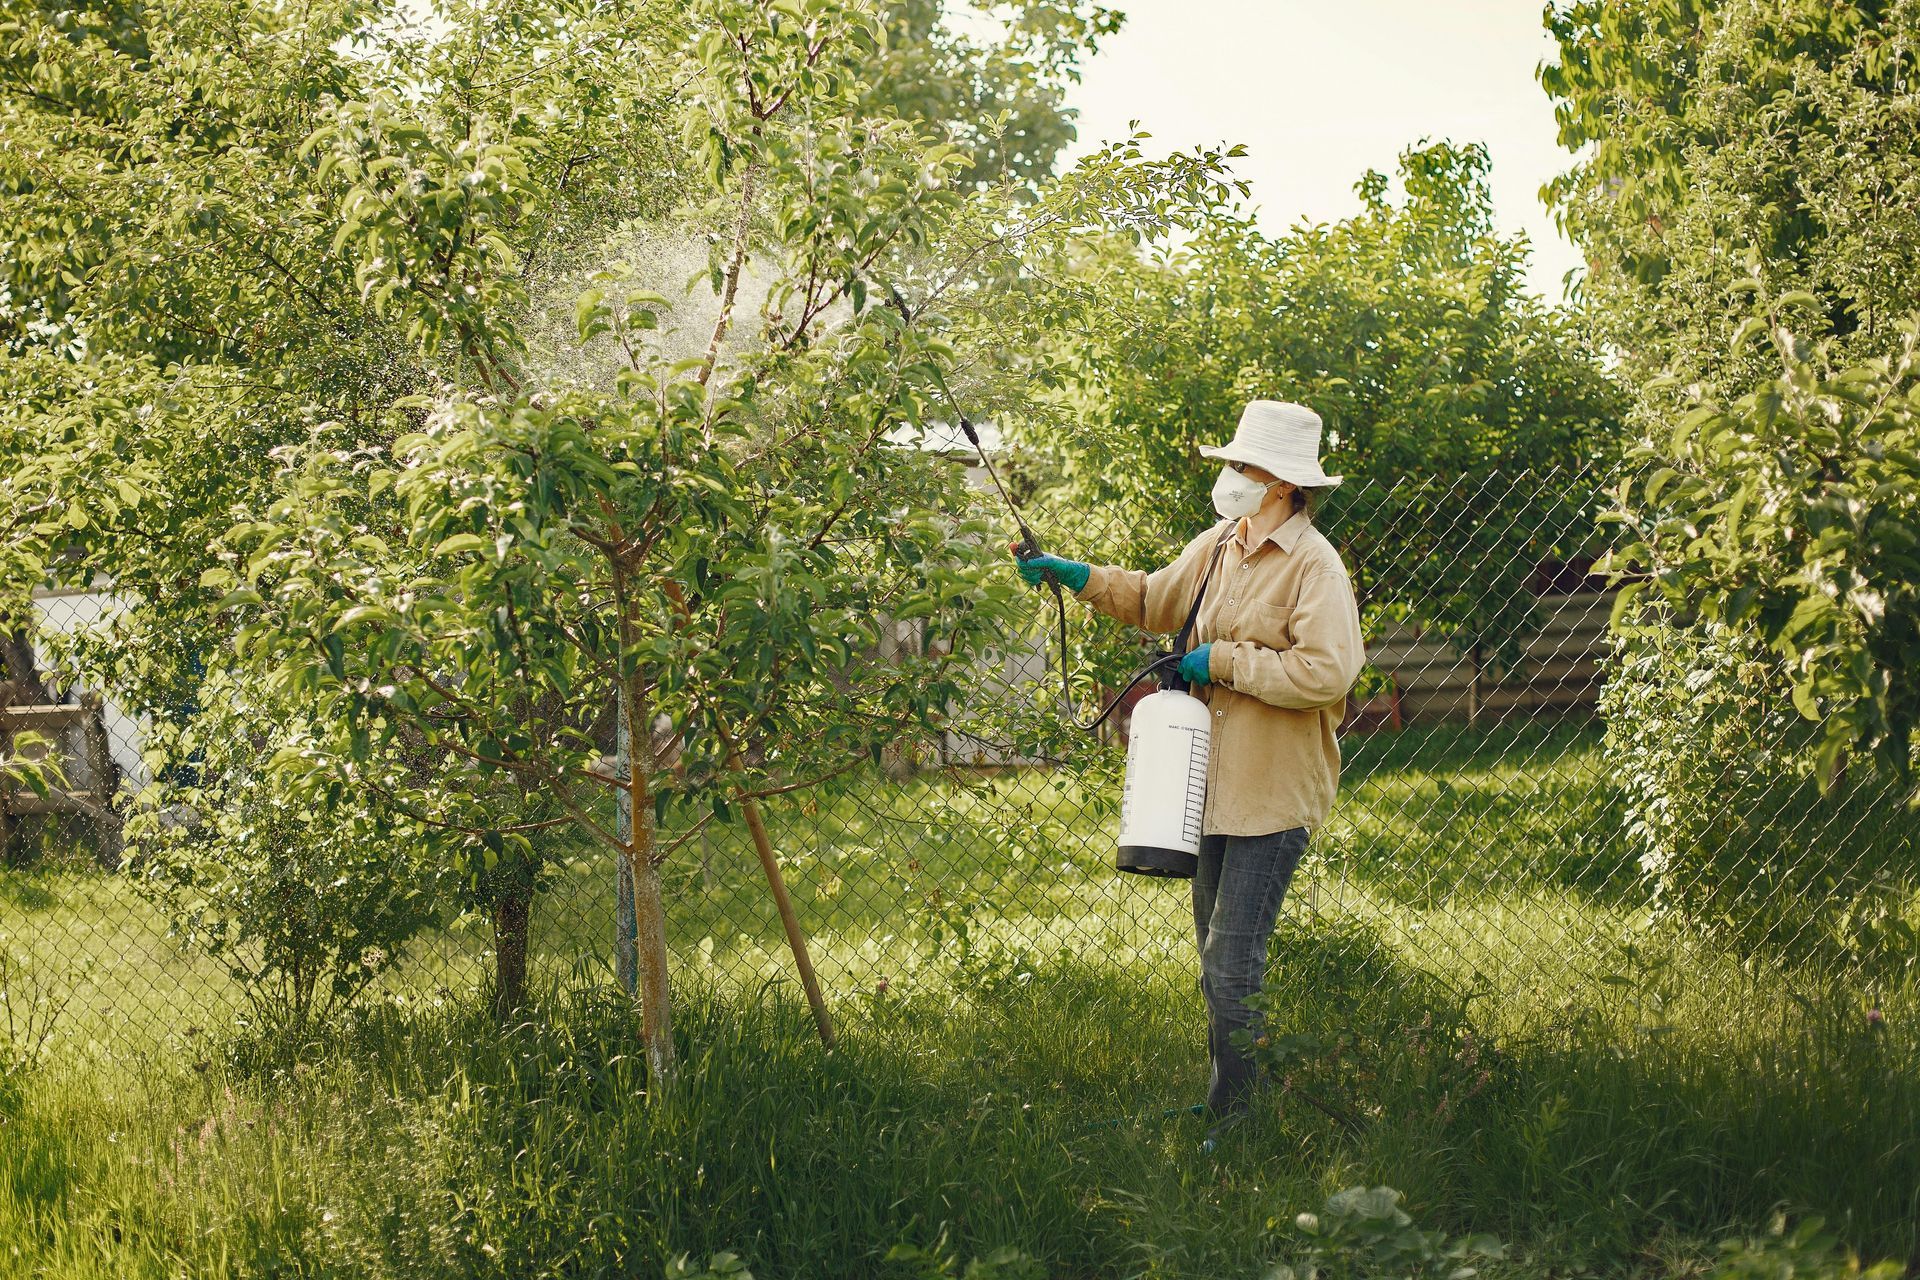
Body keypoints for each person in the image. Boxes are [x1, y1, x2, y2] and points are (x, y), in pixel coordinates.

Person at [1014, 400, 1365, 1130]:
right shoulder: (1220, 543)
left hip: (1272, 795)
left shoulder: (1313, 566)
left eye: (1244, 466)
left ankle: (1240, 1124)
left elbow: (1328, 673)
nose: (1231, 476)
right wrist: (1072, 575)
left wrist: (1225, 660)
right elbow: (1150, 598)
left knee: (1233, 965)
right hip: (1209, 788)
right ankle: (1229, 1104)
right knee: (1215, 962)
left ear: (1282, 485)